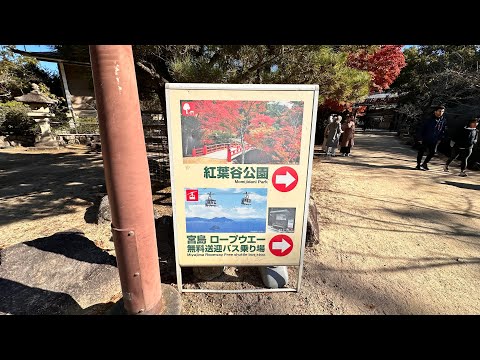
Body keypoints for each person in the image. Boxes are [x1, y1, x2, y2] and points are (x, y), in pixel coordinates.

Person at [415, 105, 447, 170]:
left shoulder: (443, 120)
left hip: (434, 139)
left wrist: (440, 138)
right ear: (435, 111)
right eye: (439, 111)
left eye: (442, 111)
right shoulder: (428, 119)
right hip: (425, 138)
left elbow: (442, 130)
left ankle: (424, 163)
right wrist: (419, 138)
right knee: (421, 152)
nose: (441, 113)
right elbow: (421, 128)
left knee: (433, 152)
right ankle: (418, 165)